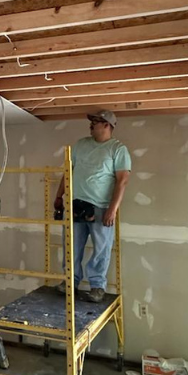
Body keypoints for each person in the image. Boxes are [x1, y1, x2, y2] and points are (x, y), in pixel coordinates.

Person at [55, 109, 132, 303]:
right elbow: (68, 172)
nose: (91, 125)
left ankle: (97, 287)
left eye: (95, 122)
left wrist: (112, 210)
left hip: (100, 208)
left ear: (107, 125)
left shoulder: (117, 149)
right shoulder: (80, 145)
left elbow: (122, 181)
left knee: (101, 249)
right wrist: (59, 196)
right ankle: (70, 282)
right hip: (76, 204)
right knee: (71, 247)